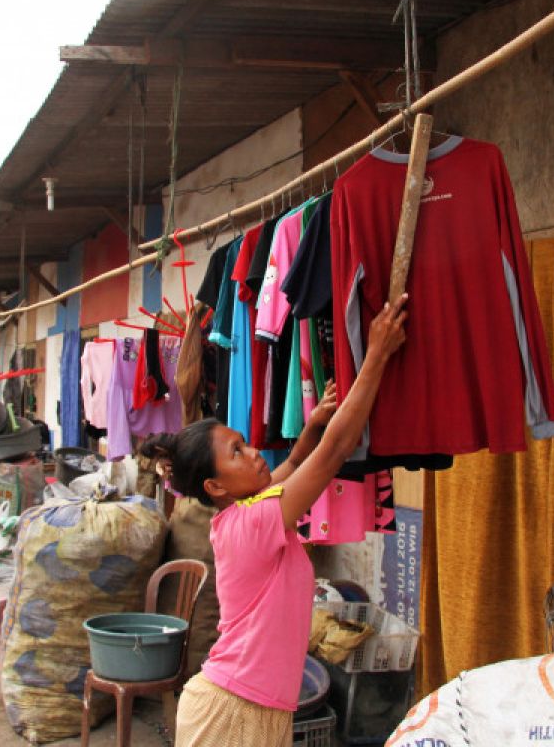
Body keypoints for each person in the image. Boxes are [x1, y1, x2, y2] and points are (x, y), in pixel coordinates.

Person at [140, 295, 408, 746]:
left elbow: (298, 461)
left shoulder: (247, 513)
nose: (254, 455)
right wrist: (377, 354)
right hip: (230, 710)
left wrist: (313, 423)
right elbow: (333, 456)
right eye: (238, 454)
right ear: (216, 488)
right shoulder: (255, 522)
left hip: (259, 707)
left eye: (245, 443)